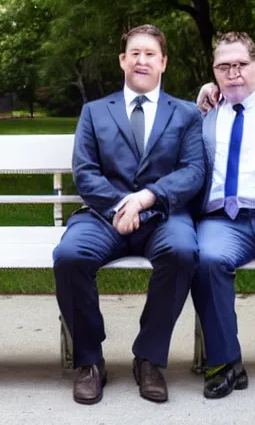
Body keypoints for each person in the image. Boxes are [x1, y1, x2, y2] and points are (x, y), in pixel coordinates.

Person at [53, 24, 205, 405]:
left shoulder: (186, 114)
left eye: (150, 54)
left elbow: (193, 171)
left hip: (163, 215)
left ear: (163, 63)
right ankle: (89, 361)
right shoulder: (94, 112)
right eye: (134, 53)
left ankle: (149, 358)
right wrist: (122, 205)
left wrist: (146, 199)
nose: (142, 60)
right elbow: (85, 172)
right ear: (122, 60)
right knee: (69, 257)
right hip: (104, 215)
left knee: (183, 252)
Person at [192, 31, 255, 399]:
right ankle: (225, 361)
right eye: (223, 66)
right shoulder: (201, 114)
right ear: (214, 73)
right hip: (222, 220)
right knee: (208, 260)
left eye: (241, 65)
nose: (233, 73)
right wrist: (201, 93)